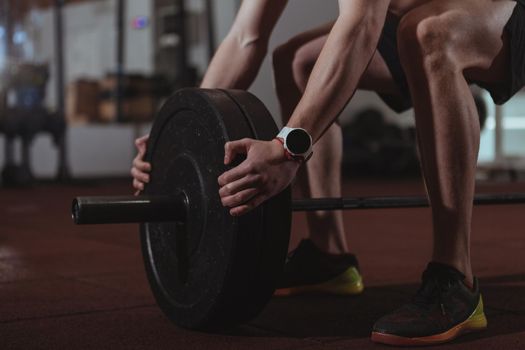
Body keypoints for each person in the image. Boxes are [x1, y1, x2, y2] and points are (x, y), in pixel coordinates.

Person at [132, 0, 525, 346]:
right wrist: (180, 134)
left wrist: (287, 148)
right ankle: (329, 255)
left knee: (428, 34)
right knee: (298, 60)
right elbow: (244, 38)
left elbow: (360, 27)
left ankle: (456, 276)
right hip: (417, 16)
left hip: (502, 11)